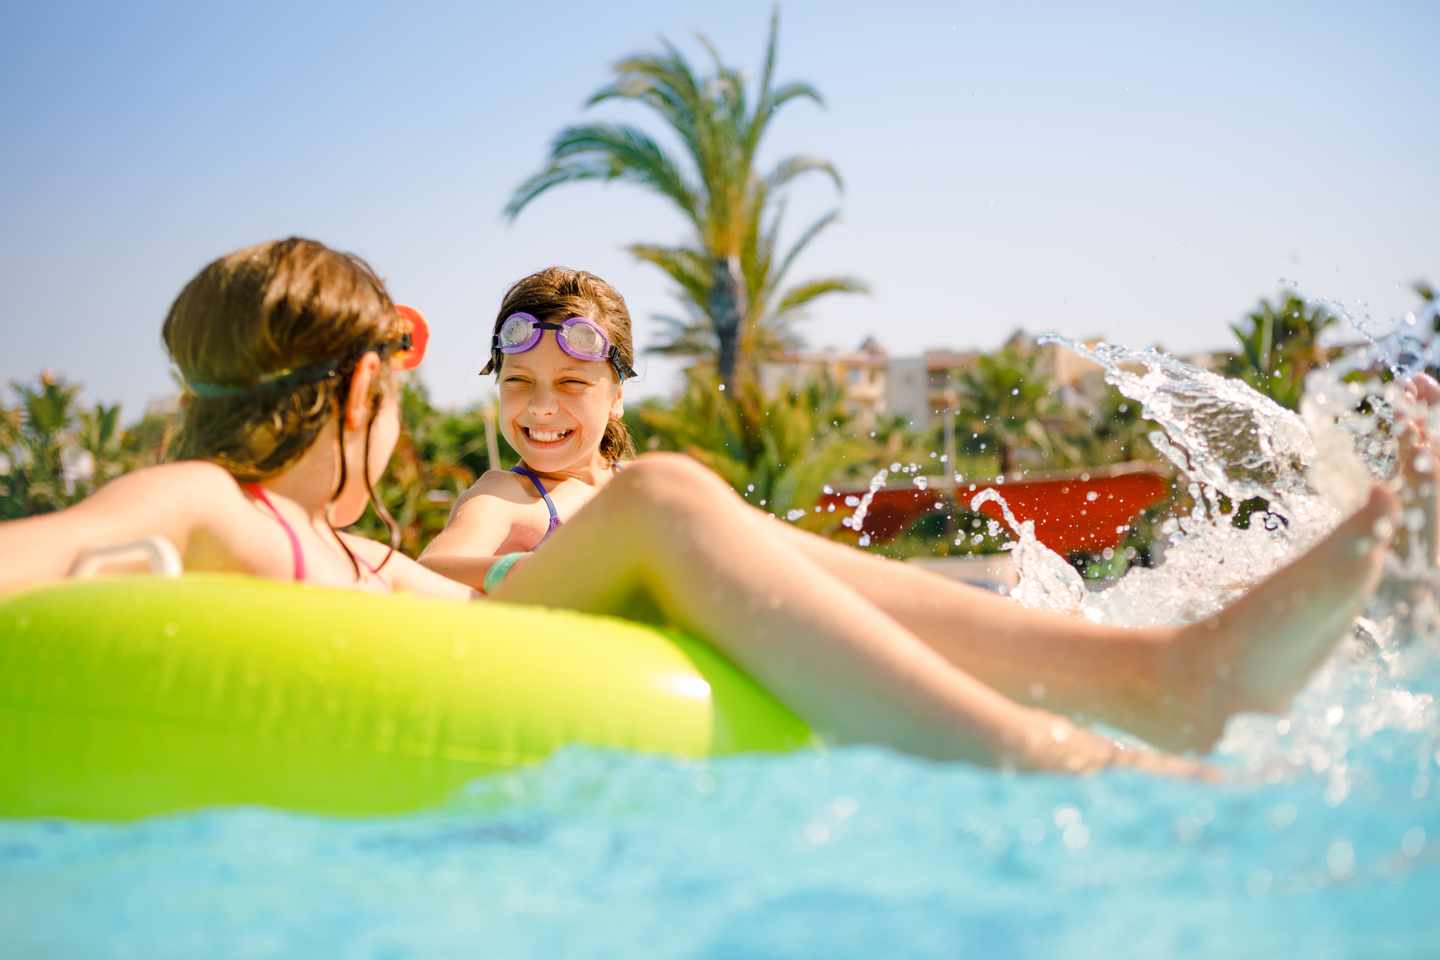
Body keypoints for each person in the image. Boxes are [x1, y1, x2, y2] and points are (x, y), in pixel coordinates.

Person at [0, 238, 1399, 777]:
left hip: (488, 628)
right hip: (494, 635)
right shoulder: (207, 498)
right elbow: (46, 552)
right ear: (368, 393)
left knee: (684, 508)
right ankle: (1086, 735)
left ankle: (1162, 674)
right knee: (673, 500)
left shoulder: (310, 531)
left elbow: (407, 591)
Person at [420, 267, 635, 591]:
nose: (540, 406)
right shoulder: (506, 497)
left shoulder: (638, 483)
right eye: (518, 380)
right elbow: (427, 574)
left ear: (616, 398)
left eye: (572, 382)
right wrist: (524, 571)